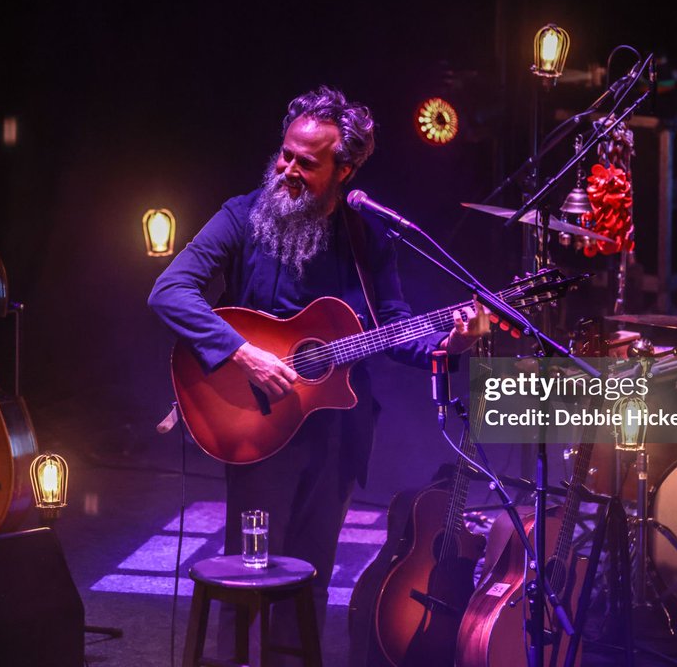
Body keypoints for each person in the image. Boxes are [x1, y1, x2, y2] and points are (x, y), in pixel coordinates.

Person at [148, 85, 480, 641]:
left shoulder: (367, 231)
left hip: (338, 430)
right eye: (285, 153)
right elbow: (169, 290)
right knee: (247, 583)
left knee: (308, 584)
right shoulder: (241, 216)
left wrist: (455, 345)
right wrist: (244, 352)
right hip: (258, 419)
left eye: (307, 162)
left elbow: (394, 329)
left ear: (344, 170)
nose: (287, 169)